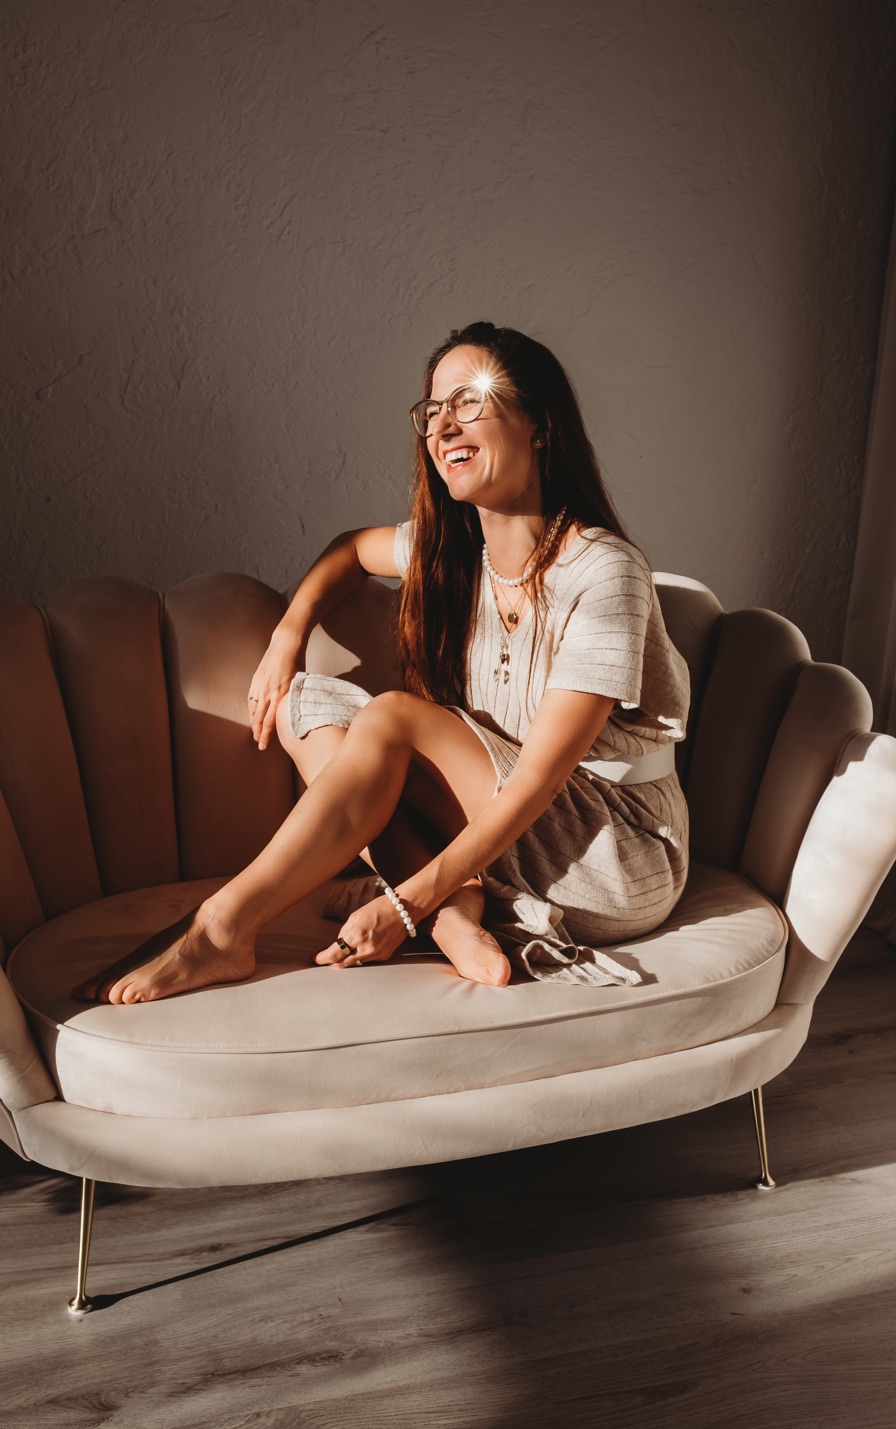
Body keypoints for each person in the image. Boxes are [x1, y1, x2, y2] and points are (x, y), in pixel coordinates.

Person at [82, 322, 690, 1005]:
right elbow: (348, 551)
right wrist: (287, 636)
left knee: (394, 716)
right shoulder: (453, 556)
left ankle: (223, 927)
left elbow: (538, 782)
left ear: (540, 425)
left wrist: (402, 906)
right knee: (306, 700)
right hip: (505, 824)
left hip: (612, 855)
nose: (443, 426)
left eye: (470, 400)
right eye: (433, 410)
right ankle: (455, 916)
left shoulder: (604, 571)